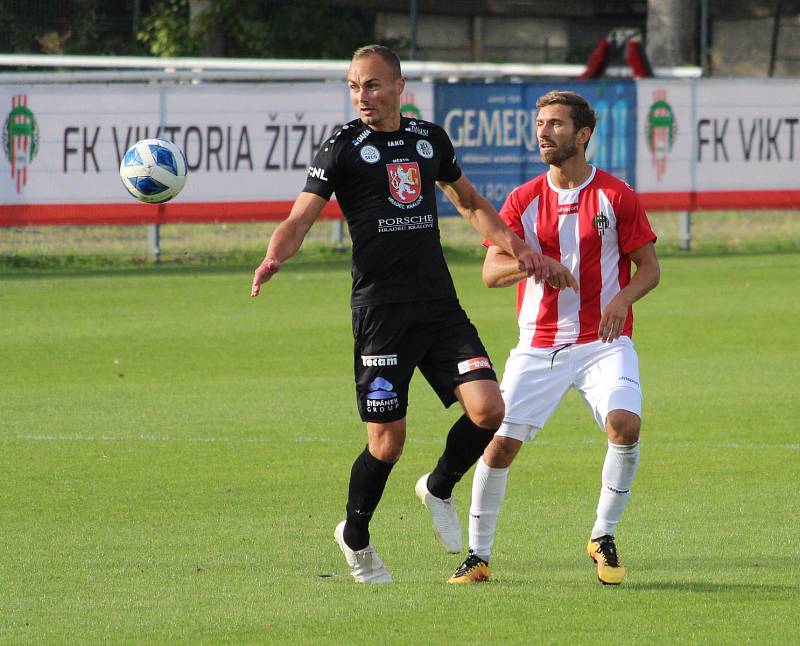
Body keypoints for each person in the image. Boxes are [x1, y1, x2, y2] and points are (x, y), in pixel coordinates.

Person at [250, 45, 555, 584]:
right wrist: (276, 253)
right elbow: (299, 218)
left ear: (398, 87)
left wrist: (518, 247)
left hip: (439, 306)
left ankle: (438, 486)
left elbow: (469, 203)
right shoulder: (343, 146)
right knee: (386, 444)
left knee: (489, 410)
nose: (361, 96)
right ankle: (356, 536)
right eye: (353, 87)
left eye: (370, 85)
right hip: (381, 313)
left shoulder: (428, 139)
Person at [448, 90, 660, 586]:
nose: (543, 132)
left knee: (625, 426)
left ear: (583, 135)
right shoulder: (523, 199)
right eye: (540, 123)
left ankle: (602, 536)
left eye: (556, 124)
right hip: (538, 344)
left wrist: (622, 299)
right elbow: (490, 273)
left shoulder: (617, 196)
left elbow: (649, 269)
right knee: (497, 447)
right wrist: (532, 263)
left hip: (602, 343)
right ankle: (477, 556)